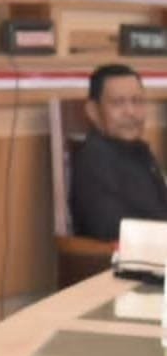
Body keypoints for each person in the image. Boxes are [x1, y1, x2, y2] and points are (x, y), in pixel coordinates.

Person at [71, 64, 167, 241]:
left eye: (137, 101)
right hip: (127, 254)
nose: (130, 112)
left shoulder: (140, 151)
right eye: (118, 103)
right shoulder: (93, 159)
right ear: (93, 111)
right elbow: (110, 229)